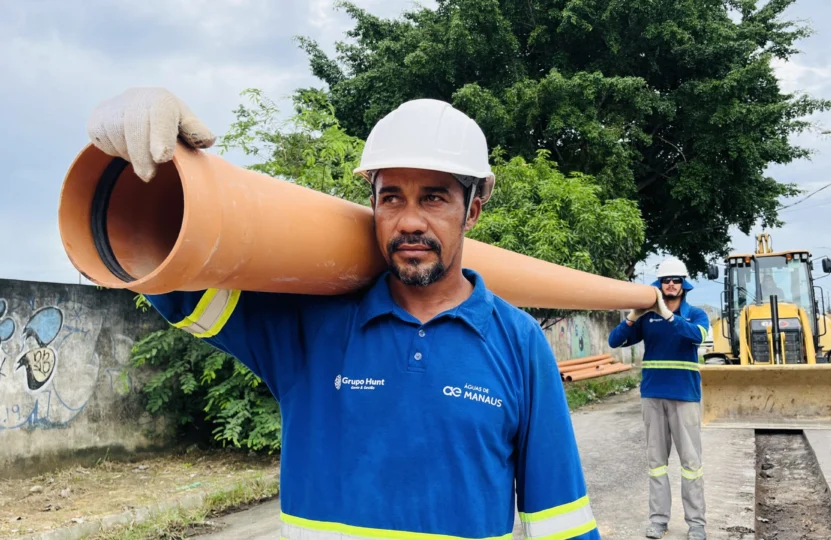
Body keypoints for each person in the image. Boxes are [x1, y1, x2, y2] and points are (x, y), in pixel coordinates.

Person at [86, 88, 600, 540]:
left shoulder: (519, 342)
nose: (411, 221)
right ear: (372, 204)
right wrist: (143, 164)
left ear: (472, 211)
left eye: (435, 198)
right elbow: (174, 281)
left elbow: (562, 523)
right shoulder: (312, 329)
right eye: (391, 197)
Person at [606, 258, 709, 540]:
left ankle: (697, 523)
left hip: (685, 397)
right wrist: (632, 317)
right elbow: (614, 341)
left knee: (691, 465)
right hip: (653, 396)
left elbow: (697, 336)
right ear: (659, 285)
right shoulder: (647, 318)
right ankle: (658, 520)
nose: (671, 284)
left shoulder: (695, 315)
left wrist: (667, 315)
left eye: (675, 280)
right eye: (666, 280)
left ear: (683, 284)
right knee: (656, 463)